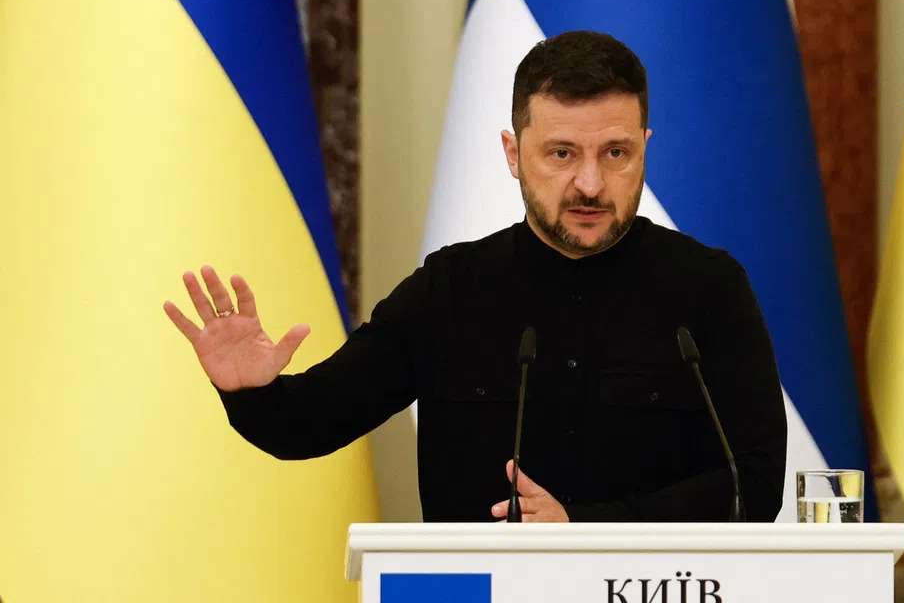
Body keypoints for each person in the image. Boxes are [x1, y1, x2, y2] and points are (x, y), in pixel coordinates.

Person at [164, 30, 788, 522]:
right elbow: (310, 425)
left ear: (645, 148)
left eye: (615, 153)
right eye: (562, 153)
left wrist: (590, 527)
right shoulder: (451, 289)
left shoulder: (708, 288)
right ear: (514, 155)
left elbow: (755, 485)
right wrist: (252, 393)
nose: (591, 184)